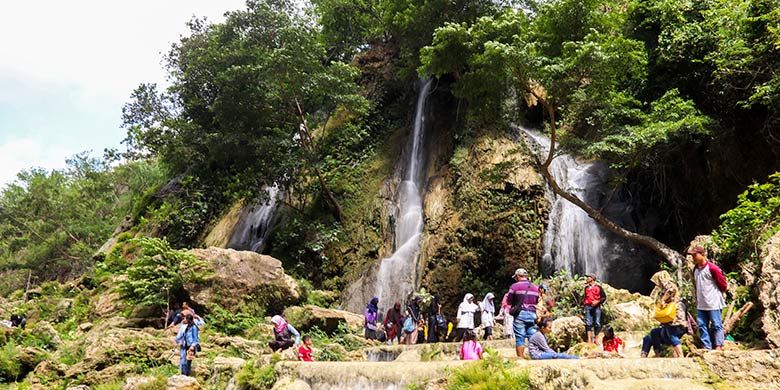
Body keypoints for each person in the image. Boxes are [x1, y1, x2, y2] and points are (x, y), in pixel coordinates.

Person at [689, 245, 728, 351]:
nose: (693, 258)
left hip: (713, 302)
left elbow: (723, 284)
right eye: (692, 255)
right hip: (701, 303)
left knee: (716, 324)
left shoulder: (712, 268)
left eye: (695, 255)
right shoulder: (695, 270)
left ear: (702, 254)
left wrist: (718, 294)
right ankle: (706, 346)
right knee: (702, 325)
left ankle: (719, 346)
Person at [641, 271, 687, 358]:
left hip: (674, 317)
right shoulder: (668, 286)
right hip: (672, 317)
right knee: (655, 333)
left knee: (672, 334)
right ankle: (659, 354)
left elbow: (670, 291)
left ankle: (680, 356)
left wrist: (663, 300)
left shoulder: (668, 284)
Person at [508, 268, 540, 358]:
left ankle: (521, 358)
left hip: (520, 314)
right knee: (533, 337)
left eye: (515, 277)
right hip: (532, 314)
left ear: (518, 276)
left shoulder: (514, 286)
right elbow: (536, 301)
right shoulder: (535, 287)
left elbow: (509, 301)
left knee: (520, 338)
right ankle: (536, 356)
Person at [583, 274, 607, 344]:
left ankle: (596, 339)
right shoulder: (586, 288)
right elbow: (585, 298)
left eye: (588, 277)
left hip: (596, 307)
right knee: (588, 323)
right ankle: (589, 340)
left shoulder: (599, 287)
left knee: (597, 322)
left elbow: (604, 297)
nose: (587, 278)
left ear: (592, 279)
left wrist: (598, 301)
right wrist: (583, 306)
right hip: (588, 306)